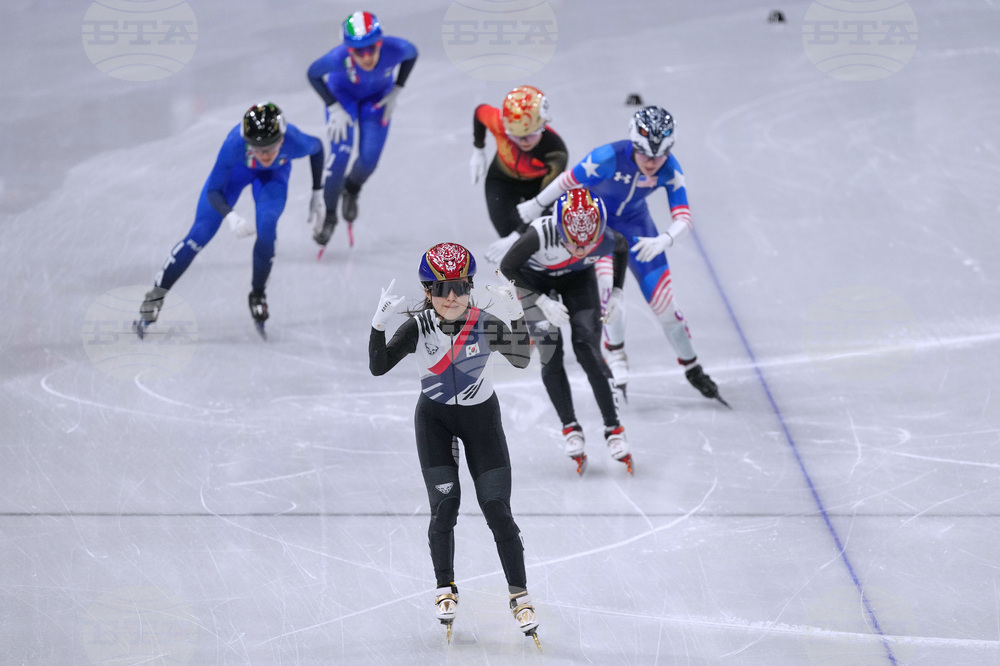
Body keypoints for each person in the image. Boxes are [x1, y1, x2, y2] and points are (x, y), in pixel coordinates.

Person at [368, 242, 541, 647]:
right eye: (442, 288)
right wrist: (378, 325)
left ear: (470, 288)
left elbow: (520, 359)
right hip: (436, 422)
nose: (452, 297)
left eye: (461, 287)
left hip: (482, 421)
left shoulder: (484, 321)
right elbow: (378, 367)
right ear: (427, 291)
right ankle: (444, 585)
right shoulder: (420, 326)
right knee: (445, 507)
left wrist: (516, 314)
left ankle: (520, 594)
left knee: (497, 509)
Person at [516, 106, 727, 406]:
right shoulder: (607, 157)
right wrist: (537, 203)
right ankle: (616, 354)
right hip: (598, 233)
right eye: (644, 154)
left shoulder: (670, 167)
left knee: (667, 308)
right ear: (634, 145)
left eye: (659, 156)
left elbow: (684, 215)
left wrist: (665, 239)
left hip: (641, 234)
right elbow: (568, 180)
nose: (652, 163)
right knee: (608, 297)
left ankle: (692, 367)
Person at [134, 102, 325, 340]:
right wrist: (230, 216)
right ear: (247, 143)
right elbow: (214, 191)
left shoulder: (295, 140)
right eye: (257, 149)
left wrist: (318, 193)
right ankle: (155, 297)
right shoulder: (234, 144)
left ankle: (258, 294)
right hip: (237, 173)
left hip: (273, 178)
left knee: (267, 228)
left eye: (271, 148)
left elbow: (318, 150)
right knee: (199, 234)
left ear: (283, 140)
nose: (264, 156)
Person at [499, 188, 633, 474]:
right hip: (535, 282)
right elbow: (507, 267)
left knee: (588, 349)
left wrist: (618, 293)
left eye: (589, 243)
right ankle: (569, 426)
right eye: (574, 242)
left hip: (577, 281)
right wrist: (541, 300)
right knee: (550, 353)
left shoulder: (606, 237)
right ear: (560, 230)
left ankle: (614, 428)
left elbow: (622, 249)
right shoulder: (539, 234)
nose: (582, 248)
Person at [307, 10, 418, 251]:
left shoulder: (397, 49)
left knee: (369, 160)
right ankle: (329, 216)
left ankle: (351, 188)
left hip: (377, 100)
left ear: (380, 42)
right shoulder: (336, 58)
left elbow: (413, 54)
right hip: (342, 98)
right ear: (349, 49)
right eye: (359, 51)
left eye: (372, 48)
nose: (367, 56)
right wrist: (333, 106)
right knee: (339, 159)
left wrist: (398, 88)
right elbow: (313, 74)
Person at [470, 85, 568, 264]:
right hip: (501, 180)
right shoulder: (498, 122)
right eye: (514, 136)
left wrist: (518, 234)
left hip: (539, 187)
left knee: (535, 237)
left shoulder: (556, 152)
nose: (523, 141)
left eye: (531, 134)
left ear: (543, 124)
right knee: (512, 240)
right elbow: (479, 112)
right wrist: (479, 149)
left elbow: (546, 199)